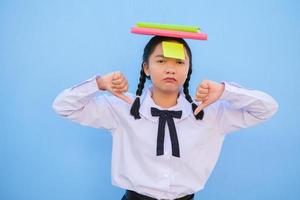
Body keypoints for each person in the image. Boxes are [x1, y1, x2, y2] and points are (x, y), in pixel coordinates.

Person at [52, 36, 279, 200]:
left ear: (188, 70)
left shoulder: (211, 113)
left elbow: (267, 108)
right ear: (146, 68)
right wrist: (99, 83)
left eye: (179, 63)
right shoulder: (121, 108)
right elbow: (64, 106)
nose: (170, 69)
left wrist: (225, 90)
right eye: (161, 61)